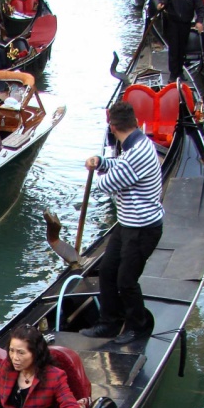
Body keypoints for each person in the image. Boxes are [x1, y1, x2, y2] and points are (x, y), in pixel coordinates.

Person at [82, 100, 164, 344]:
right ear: (134, 123)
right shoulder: (137, 144)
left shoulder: (136, 153)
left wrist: (100, 170)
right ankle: (110, 322)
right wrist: (102, 161)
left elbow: (106, 185)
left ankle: (138, 327)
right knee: (107, 271)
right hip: (128, 223)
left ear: (112, 127)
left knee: (126, 281)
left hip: (142, 228)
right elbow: (119, 167)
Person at [156, 0, 204, 81]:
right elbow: (164, 2)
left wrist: (199, 21)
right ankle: (173, 74)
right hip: (172, 24)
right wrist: (160, 5)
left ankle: (180, 72)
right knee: (174, 49)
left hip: (185, 25)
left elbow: (200, 9)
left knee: (182, 49)